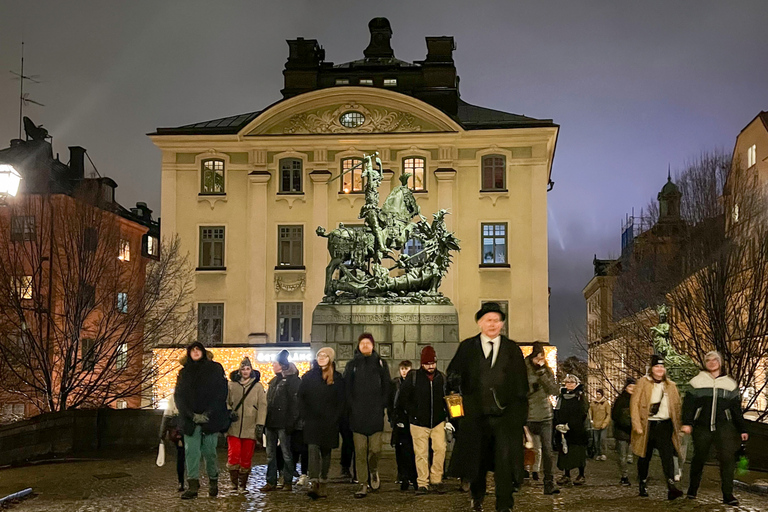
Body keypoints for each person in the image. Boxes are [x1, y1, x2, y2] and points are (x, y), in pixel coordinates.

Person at [447, 302, 528, 512]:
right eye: (488, 320)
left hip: (505, 419)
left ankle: (505, 504)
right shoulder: (467, 348)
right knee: (478, 463)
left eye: (496, 320)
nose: (492, 324)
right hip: (475, 419)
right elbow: (452, 382)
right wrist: (457, 415)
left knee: (504, 464)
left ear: (501, 324)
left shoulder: (512, 350)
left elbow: (521, 387)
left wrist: (519, 420)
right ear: (480, 322)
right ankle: (477, 497)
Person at [683, 351, 749, 506]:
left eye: (715, 360)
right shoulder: (696, 382)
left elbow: (736, 410)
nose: (712, 362)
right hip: (702, 427)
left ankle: (728, 494)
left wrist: (742, 429)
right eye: (709, 360)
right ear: (705, 363)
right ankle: (692, 490)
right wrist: (687, 422)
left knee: (727, 460)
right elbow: (688, 406)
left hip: (724, 428)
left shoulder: (730, 384)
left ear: (720, 363)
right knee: (699, 458)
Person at [173, 341, 228, 499]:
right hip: (190, 420)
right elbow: (179, 396)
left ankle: (213, 481)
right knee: (192, 453)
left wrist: (208, 413)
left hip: (210, 420)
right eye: (192, 350)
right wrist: (191, 415)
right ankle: (193, 486)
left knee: (210, 452)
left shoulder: (215, 368)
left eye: (198, 349)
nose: (195, 352)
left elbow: (220, 393)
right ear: (189, 353)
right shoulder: (184, 372)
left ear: (203, 352)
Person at [343, 333, 391, 498]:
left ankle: (374, 470)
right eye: (362, 343)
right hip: (357, 416)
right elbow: (346, 388)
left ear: (373, 345)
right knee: (360, 451)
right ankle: (363, 483)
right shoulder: (352, 365)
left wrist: (382, 405)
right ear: (358, 345)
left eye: (368, 343)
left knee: (375, 450)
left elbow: (387, 385)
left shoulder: (380, 363)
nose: (365, 345)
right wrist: (352, 407)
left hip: (375, 415)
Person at [630, 354, 683, 500]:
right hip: (648, 424)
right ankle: (642, 482)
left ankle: (671, 486)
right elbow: (634, 404)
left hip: (665, 425)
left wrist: (678, 426)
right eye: (656, 366)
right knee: (644, 456)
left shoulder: (671, 385)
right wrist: (637, 425)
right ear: (652, 368)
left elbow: (677, 407)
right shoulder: (643, 382)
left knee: (668, 457)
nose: (659, 369)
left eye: (661, 366)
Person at [397, 346, 448, 495]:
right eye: (427, 364)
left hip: (438, 421)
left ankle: (436, 479)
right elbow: (403, 399)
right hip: (418, 422)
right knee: (421, 453)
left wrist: (447, 417)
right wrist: (413, 413)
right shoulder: (414, 377)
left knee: (440, 449)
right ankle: (422, 482)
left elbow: (446, 399)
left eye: (432, 363)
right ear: (422, 364)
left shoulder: (441, 378)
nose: (430, 366)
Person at [299, 347, 345, 500]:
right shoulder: (309, 377)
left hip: (329, 422)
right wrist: (305, 415)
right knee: (312, 450)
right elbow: (301, 397)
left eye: (325, 356)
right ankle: (313, 481)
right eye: (319, 355)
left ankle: (323, 480)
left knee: (326, 453)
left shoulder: (337, 378)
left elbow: (341, 401)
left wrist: (335, 417)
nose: (322, 358)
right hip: (312, 421)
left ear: (330, 359)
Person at [261, 350, 301, 492]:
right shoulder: (274, 381)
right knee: (270, 455)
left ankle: (287, 481)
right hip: (271, 423)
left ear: (282, 365)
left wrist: (291, 422)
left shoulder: (291, 381)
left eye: (275, 363)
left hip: (283, 423)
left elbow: (294, 404)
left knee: (286, 453)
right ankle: (271, 481)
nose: (273, 365)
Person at [226, 357, 267, 492]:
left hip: (251, 426)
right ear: (239, 370)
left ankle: (242, 484)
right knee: (234, 454)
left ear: (251, 370)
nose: (245, 371)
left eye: (247, 369)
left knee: (246, 456)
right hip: (234, 426)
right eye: (243, 369)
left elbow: (262, 406)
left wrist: (260, 424)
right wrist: (229, 411)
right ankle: (234, 483)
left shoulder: (257, 386)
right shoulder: (231, 385)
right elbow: (225, 401)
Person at [525, 341, 560, 495]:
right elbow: (519, 391)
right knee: (526, 449)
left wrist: (542, 375)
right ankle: (520, 477)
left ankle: (549, 483)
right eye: (537, 358)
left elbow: (554, 390)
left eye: (542, 358)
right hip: (528, 416)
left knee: (548, 451)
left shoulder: (546, 370)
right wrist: (532, 388)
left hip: (545, 416)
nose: (540, 361)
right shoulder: (523, 369)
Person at [553, 374, 589, 486]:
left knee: (578, 452)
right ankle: (566, 474)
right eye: (567, 383)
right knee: (565, 452)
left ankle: (581, 474)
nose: (569, 385)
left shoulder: (580, 397)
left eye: (572, 383)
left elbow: (582, 413)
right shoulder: (561, 396)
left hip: (577, 431)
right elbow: (557, 411)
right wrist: (558, 424)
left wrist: (571, 425)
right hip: (563, 430)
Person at [390, 360, 417, 491]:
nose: (404, 371)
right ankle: (402, 475)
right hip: (399, 419)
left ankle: (412, 476)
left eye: (406, 369)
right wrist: (393, 418)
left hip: (411, 420)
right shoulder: (395, 383)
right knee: (400, 450)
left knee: (411, 449)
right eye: (402, 369)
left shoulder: (414, 383)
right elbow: (392, 402)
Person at [611, 378, 636, 486]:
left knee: (633, 455)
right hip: (622, 431)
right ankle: (624, 476)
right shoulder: (620, 400)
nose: (632, 389)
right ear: (626, 388)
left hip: (634, 431)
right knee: (623, 456)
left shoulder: (637, 399)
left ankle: (636, 474)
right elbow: (615, 415)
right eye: (630, 387)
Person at [159, 394, 186, 492]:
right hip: (185, 430)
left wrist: (162, 434)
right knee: (186, 456)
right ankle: (189, 480)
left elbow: (166, 416)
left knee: (181, 457)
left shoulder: (173, 397)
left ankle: (181, 481)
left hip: (178, 433)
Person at [590, 389, 611, 461]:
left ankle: (603, 453)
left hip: (602, 424)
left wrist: (605, 423)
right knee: (596, 440)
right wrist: (591, 420)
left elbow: (608, 414)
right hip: (595, 424)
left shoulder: (605, 403)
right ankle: (597, 453)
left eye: (599, 394)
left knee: (602, 439)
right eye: (597, 394)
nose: (598, 396)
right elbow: (590, 412)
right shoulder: (593, 403)